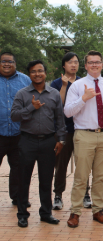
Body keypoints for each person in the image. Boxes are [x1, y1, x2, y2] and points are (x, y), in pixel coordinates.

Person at [64, 50, 103, 228]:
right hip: (84, 135)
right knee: (81, 176)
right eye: (91, 62)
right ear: (86, 65)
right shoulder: (77, 86)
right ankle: (75, 212)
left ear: (102, 64)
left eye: (97, 62)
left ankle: (98, 210)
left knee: (100, 176)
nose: (94, 65)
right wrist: (84, 98)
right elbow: (67, 112)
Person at [11, 60, 67, 228]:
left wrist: (61, 139)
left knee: (46, 180)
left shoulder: (54, 94)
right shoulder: (22, 94)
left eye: (40, 71)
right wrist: (30, 107)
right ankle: (22, 214)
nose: (37, 74)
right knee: (23, 179)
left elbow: (59, 119)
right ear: (29, 74)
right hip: (27, 141)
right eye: (33, 71)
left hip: (48, 141)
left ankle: (46, 213)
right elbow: (14, 116)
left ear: (45, 73)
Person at [51, 52, 91, 210]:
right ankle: (58, 195)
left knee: (84, 164)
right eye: (70, 62)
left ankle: (85, 195)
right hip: (63, 129)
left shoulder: (84, 82)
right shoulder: (56, 83)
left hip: (81, 128)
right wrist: (64, 86)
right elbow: (58, 106)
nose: (73, 65)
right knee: (61, 164)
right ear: (64, 65)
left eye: (76, 62)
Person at [0, 52, 31, 207]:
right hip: (0, 132)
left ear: (15, 64)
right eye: (3, 61)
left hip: (20, 132)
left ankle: (18, 198)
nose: (7, 64)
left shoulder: (25, 80)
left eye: (10, 61)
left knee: (19, 167)